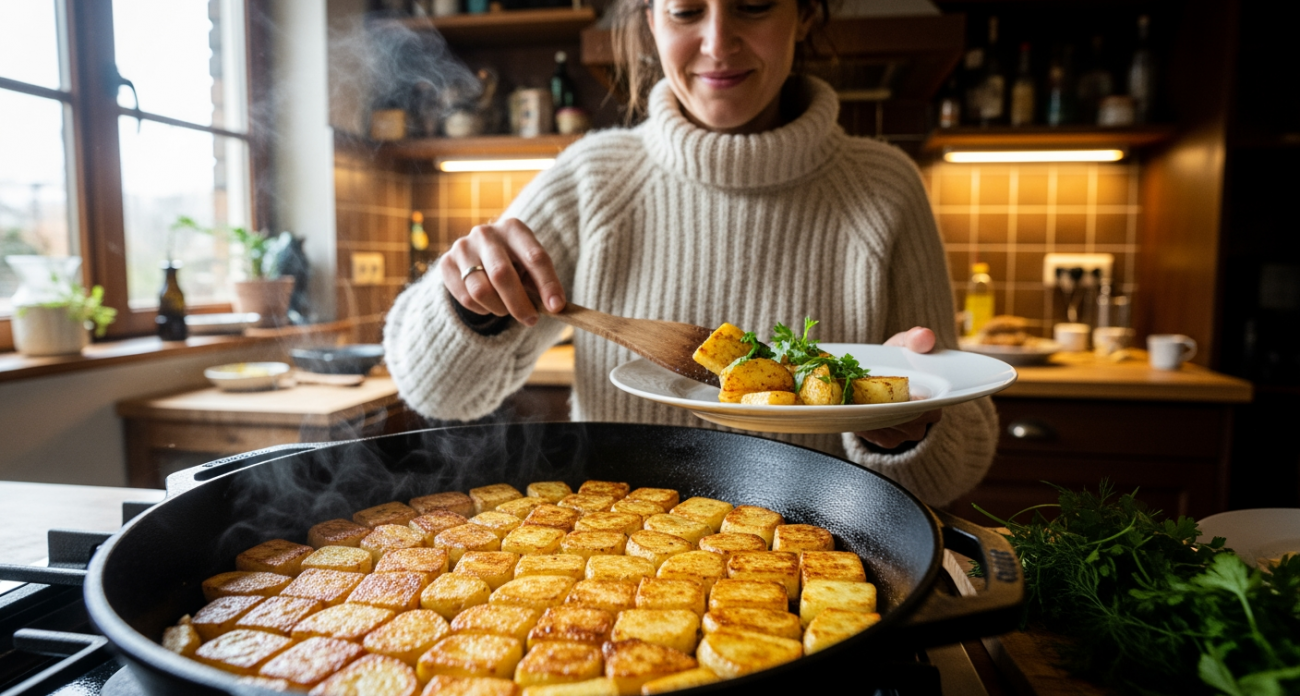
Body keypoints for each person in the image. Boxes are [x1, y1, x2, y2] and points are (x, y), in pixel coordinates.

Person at [384, 0, 998, 507]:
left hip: (816, 570)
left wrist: (908, 429)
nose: (717, 43)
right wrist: (469, 304)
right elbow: (436, 392)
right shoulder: (594, 180)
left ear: (806, 14)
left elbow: (951, 472)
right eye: (684, 12)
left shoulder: (885, 188)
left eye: (753, 7)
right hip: (610, 572)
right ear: (649, 18)